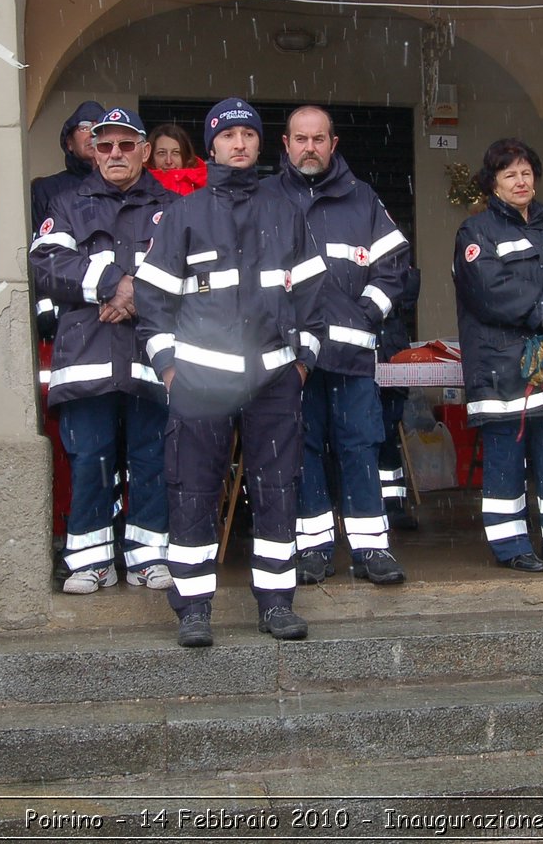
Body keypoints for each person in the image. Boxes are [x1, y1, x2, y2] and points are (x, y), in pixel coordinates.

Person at [134, 97, 327, 647]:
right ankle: (193, 608)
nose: (238, 143)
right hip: (199, 384)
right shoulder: (184, 214)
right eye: (227, 135)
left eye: (248, 134)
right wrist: (169, 369)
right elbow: (152, 302)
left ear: (261, 145)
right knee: (193, 492)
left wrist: (302, 362)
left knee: (277, 490)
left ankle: (276, 603)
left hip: (273, 380)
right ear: (212, 145)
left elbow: (314, 297)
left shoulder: (284, 212)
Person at [30, 107, 177, 594]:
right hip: (88, 357)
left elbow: (193, 272)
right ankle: (89, 561)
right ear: (93, 151)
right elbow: (47, 265)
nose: (116, 154)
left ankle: (149, 557)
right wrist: (115, 284)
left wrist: (136, 295)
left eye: (126, 145)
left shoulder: (174, 207)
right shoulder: (68, 203)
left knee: (151, 459)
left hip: (152, 357)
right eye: (105, 145)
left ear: (145, 152)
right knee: (89, 458)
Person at [267, 105, 411, 586]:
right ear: (285, 145)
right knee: (302, 451)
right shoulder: (265, 198)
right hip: (291, 360)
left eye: (319, 139)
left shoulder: (362, 198)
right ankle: (313, 550)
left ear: (333, 144)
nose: (310, 147)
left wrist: (366, 313)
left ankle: (371, 550)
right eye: (301, 139)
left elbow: (395, 267)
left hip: (350, 357)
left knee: (359, 448)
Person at [452, 138, 543, 571]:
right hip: (502, 365)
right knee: (506, 457)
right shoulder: (475, 232)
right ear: (493, 184)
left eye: (526, 173)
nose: (520, 181)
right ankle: (511, 545)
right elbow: (486, 289)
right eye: (510, 174)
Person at [30, 101, 105, 339]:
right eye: (84, 127)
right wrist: (44, 308)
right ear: (69, 143)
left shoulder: (126, 189)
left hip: (113, 308)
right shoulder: (48, 189)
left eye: (99, 127)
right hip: (67, 310)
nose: (93, 132)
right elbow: (41, 255)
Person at [377, 265, 422, 531]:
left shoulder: (393, 255)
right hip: (362, 356)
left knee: (387, 435)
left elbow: (407, 293)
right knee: (359, 439)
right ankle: (361, 505)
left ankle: (393, 507)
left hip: (392, 356)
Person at [149, 122, 208, 195]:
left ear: (186, 155)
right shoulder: (140, 186)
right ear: (151, 156)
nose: (168, 161)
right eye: (162, 153)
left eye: (175, 153)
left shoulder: (205, 187)